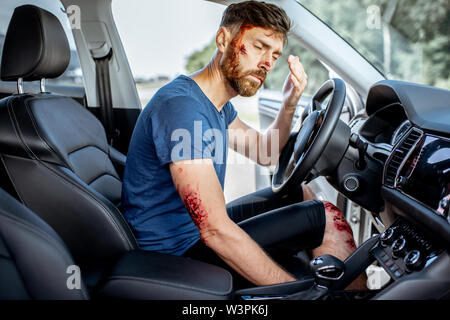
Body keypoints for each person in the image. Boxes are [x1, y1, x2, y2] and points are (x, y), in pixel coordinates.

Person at [120, 1, 366, 289]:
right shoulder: (182, 108)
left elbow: (265, 152)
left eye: (275, 55)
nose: (267, 63)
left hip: (193, 233)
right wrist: (296, 292)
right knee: (326, 218)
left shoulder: (215, 104)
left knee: (301, 193)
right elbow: (214, 230)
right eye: (260, 46)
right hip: (175, 253)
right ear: (223, 40)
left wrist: (289, 103)